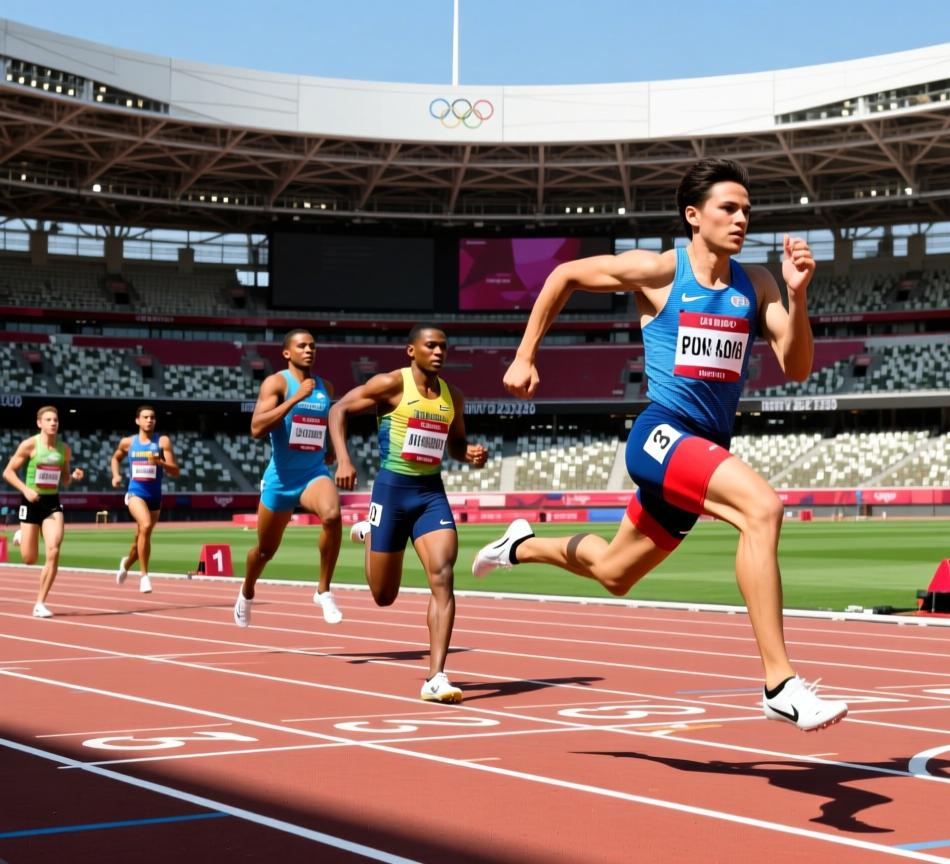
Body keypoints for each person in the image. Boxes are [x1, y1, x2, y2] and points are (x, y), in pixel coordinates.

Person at [473, 157, 847, 732]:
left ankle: (518, 545)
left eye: (747, 210)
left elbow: (795, 367)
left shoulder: (758, 284)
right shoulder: (658, 271)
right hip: (661, 435)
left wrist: (798, 297)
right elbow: (563, 275)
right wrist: (525, 355)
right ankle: (780, 684)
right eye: (729, 208)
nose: (741, 219)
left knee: (614, 572)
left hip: (703, 449)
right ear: (694, 216)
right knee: (762, 509)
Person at [329, 324, 488, 703]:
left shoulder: (453, 396)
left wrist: (469, 453)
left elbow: (455, 444)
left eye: (443, 346)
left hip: (430, 494)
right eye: (430, 346)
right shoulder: (391, 385)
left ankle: (436, 677)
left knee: (443, 575)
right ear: (411, 351)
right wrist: (343, 459)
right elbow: (339, 409)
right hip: (391, 492)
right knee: (384, 595)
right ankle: (371, 532)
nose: (439, 352)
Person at [234, 329, 343, 628]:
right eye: (302, 346)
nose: (309, 350)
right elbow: (256, 428)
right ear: (286, 353)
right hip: (280, 480)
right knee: (265, 551)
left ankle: (323, 590)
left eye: (312, 346)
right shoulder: (277, 383)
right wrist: (295, 398)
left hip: (313, 474)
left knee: (332, 515)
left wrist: (332, 449)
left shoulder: (325, 387)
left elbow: (325, 422)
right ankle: (247, 592)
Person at [2, 405, 85, 617]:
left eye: (55, 420)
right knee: (29, 559)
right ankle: (22, 533)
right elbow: (8, 473)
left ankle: (40, 603)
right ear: (39, 423)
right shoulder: (29, 445)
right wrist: (26, 490)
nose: (53, 423)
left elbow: (64, 480)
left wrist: (73, 477)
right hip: (31, 502)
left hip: (52, 503)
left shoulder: (64, 449)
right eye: (48, 420)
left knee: (54, 549)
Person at [110, 405, 180, 594]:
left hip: (154, 497)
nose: (149, 420)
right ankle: (144, 577)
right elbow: (115, 458)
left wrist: (160, 462)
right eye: (146, 417)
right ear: (137, 420)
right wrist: (116, 475)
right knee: (146, 525)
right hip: (135, 493)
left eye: (152, 417)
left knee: (141, 538)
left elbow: (175, 471)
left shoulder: (162, 441)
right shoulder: (128, 442)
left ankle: (126, 564)